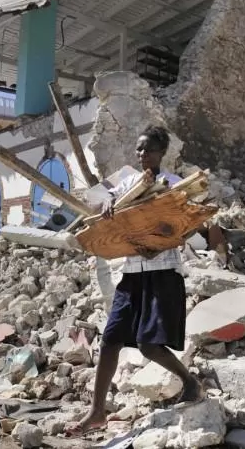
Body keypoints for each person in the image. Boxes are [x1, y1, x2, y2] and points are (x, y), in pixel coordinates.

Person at [65, 125, 201, 437]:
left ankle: (191, 381)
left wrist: (167, 233)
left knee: (149, 345)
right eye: (139, 149)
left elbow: (188, 226)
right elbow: (101, 202)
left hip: (163, 272)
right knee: (111, 338)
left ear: (161, 153)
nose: (142, 155)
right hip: (131, 275)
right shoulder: (127, 183)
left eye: (149, 149)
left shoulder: (174, 184)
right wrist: (109, 204)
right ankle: (96, 412)